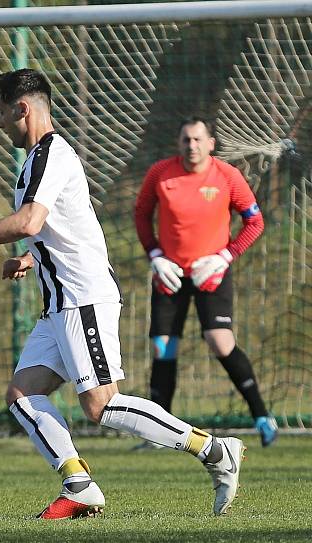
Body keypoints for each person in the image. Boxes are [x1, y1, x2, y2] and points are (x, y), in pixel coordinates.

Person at [0, 69, 244, 518]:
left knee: (101, 405)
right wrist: (31, 260)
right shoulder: (37, 159)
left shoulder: (51, 154)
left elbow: (31, 222)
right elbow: (67, 230)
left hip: (81, 297)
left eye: (1, 112)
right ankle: (79, 484)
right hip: (59, 302)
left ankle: (213, 449)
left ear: (22, 109)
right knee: (21, 395)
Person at [134, 117, 277, 448]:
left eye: (198, 139)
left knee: (220, 341)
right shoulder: (160, 173)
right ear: (178, 143)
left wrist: (225, 256)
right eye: (186, 139)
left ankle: (262, 416)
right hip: (170, 273)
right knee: (163, 347)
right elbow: (141, 215)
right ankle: (159, 435)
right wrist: (155, 254)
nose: (192, 145)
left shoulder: (228, 176)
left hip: (211, 272)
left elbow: (254, 222)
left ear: (211, 143)